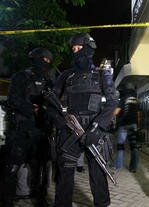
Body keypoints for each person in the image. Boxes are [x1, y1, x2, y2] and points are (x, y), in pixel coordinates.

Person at [50, 33, 118, 207]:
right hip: (70, 131)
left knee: (98, 174)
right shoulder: (66, 76)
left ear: (89, 48)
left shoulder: (102, 74)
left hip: (93, 131)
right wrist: (61, 124)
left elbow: (112, 102)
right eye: (73, 49)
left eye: (79, 48)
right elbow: (51, 103)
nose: (75, 51)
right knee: (64, 175)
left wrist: (97, 128)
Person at [1, 48, 53, 207]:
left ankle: (40, 198)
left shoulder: (48, 80)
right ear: (37, 58)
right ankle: (6, 199)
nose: (47, 63)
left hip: (41, 129)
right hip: (21, 129)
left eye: (49, 61)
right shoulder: (21, 76)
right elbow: (12, 100)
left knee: (40, 166)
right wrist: (33, 108)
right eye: (44, 59)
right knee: (13, 165)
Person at [114, 82, 139, 172]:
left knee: (120, 146)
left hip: (124, 124)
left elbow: (116, 112)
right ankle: (133, 167)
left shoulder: (123, 98)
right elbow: (138, 112)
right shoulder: (135, 99)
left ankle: (118, 165)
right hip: (133, 124)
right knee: (133, 146)